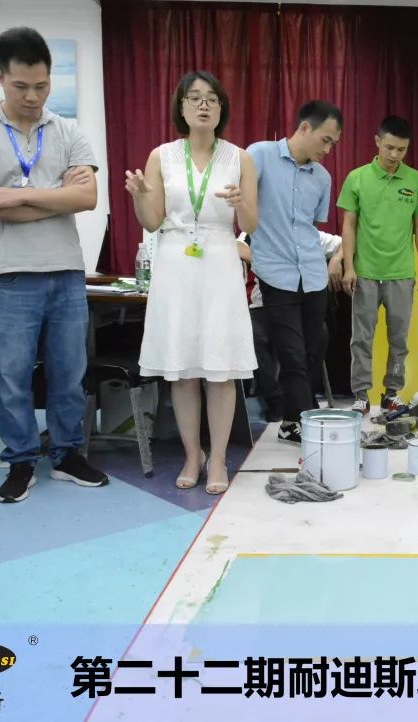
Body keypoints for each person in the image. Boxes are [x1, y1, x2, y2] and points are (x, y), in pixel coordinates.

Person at [0, 27, 108, 502]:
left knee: (68, 373)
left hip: (66, 271)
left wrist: (17, 195)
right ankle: (19, 460)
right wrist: (57, 197)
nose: (33, 96)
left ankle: (67, 454)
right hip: (10, 275)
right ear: (0, 77)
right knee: (13, 376)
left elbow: (87, 197)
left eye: (42, 86)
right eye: (21, 86)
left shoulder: (68, 131)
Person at [126, 71, 258, 495]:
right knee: (182, 370)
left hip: (219, 261)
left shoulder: (240, 158)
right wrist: (140, 195)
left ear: (222, 108)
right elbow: (152, 221)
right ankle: (191, 454)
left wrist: (242, 203)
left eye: (212, 98)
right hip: (175, 261)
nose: (204, 105)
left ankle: (217, 457)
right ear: (181, 107)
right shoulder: (161, 156)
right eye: (195, 98)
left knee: (220, 370)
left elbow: (253, 223)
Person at [247, 101, 342, 444]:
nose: (328, 149)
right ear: (304, 128)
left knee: (313, 352)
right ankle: (308, 426)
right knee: (292, 355)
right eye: (325, 140)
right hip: (275, 274)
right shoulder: (258, 155)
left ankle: (291, 422)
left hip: (313, 275)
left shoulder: (323, 177)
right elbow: (245, 210)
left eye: (333, 143)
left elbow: (310, 227)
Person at [335, 116, 418, 414]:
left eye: (401, 150)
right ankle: (361, 395)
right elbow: (349, 225)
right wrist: (349, 266)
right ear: (377, 141)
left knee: (399, 339)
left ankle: (391, 393)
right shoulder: (357, 178)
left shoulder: (415, 181)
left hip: (401, 273)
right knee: (361, 339)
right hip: (365, 273)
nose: (394, 155)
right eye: (389, 147)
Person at [246, 229, 343, 423]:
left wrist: (336, 259)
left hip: (302, 305)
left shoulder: (308, 233)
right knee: (258, 337)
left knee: (320, 335)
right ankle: (276, 399)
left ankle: (305, 394)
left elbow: (343, 242)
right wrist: (270, 259)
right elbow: (239, 245)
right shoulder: (261, 229)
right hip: (263, 306)